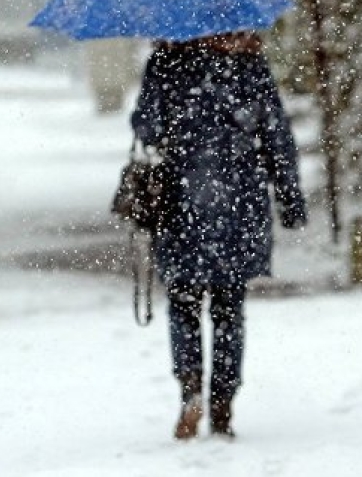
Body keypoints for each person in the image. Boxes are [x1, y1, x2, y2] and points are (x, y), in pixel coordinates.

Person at [130, 32, 307, 440]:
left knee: (183, 303)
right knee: (229, 307)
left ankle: (190, 389)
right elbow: (277, 136)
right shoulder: (249, 65)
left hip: (182, 200)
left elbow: (147, 127)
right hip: (239, 201)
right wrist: (289, 198)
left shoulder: (166, 63)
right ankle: (224, 399)